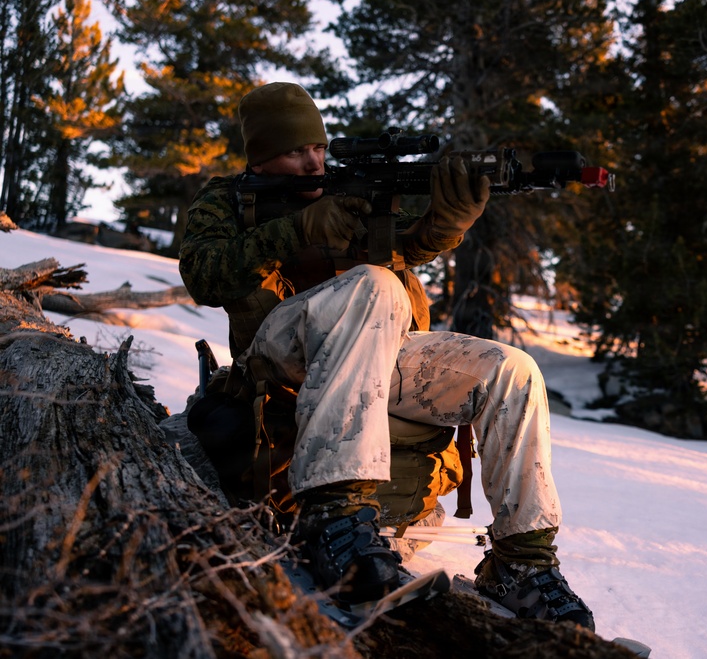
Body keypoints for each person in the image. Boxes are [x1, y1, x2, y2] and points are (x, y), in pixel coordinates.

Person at [178, 82, 593, 629]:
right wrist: (294, 230)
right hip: (276, 354)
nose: (313, 161)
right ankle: (333, 514)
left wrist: (447, 225)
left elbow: (402, 253)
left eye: (319, 148)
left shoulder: (343, 191)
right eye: (296, 151)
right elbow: (204, 274)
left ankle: (522, 561)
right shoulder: (226, 198)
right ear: (261, 156)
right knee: (374, 286)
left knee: (511, 370)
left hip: (371, 350)